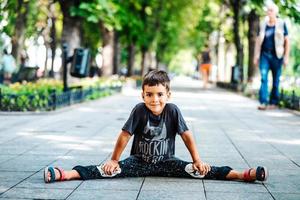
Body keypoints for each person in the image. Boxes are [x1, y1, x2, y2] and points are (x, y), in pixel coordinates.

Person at [44, 70, 268, 183]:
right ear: (143, 95)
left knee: (200, 171)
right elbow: (124, 135)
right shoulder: (139, 110)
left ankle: (241, 174)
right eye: (149, 95)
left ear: (168, 95)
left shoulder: (173, 111)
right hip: (138, 162)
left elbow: (187, 136)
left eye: (160, 95)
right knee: (106, 170)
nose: (155, 99)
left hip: (166, 162)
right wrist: (113, 159)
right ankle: (67, 174)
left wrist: (197, 160)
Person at [254, 2, 289, 110]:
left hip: (277, 56)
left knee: (276, 80)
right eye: (268, 10)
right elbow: (258, 41)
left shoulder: (281, 24)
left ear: (275, 13)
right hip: (264, 55)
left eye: (271, 10)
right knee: (263, 78)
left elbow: (287, 41)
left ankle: (273, 102)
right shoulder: (263, 24)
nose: (268, 12)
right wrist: (256, 56)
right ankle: (263, 102)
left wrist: (286, 57)